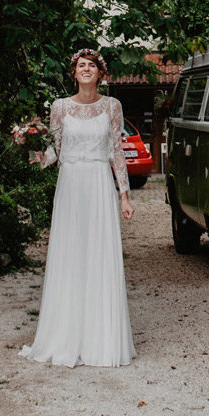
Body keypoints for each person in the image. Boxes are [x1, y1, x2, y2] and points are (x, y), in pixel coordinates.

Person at [20, 48, 136, 368]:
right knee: (70, 255)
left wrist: (124, 195)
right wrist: (30, 153)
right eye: (81, 66)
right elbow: (54, 151)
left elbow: (116, 152)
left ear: (101, 73)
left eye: (92, 66)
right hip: (70, 185)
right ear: (74, 73)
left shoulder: (112, 106)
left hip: (99, 183)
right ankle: (65, 336)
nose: (86, 70)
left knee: (99, 256)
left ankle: (102, 341)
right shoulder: (59, 107)